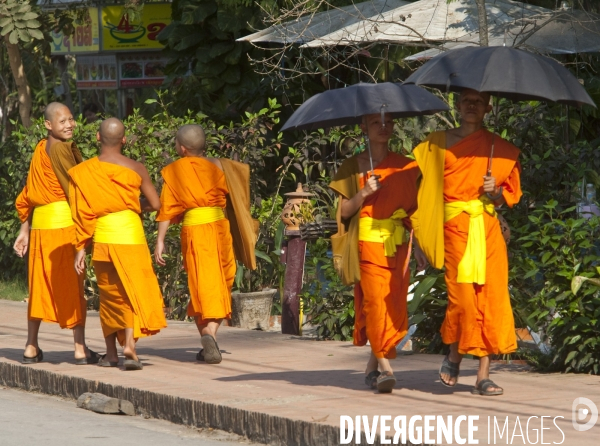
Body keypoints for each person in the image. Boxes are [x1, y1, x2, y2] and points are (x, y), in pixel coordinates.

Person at [411, 89, 522, 396]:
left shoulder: (499, 149)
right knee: (463, 300)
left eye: (479, 101)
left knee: (490, 298)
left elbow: (507, 197)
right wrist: (419, 238)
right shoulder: (436, 145)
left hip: (487, 230)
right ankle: (455, 354)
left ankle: (483, 375)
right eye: (466, 100)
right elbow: (420, 195)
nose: (472, 105)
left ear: (488, 107)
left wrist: (495, 191)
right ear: (457, 104)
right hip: (454, 229)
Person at [329, 113, 426, 393]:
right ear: (363, 127)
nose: (383, 128)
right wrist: (364, 193)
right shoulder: (352, 166)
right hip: (367, 247)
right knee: (374, 306)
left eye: (388, 122)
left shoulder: (406, 167)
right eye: (375, 123)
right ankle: (385, 369)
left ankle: (371, 369)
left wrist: (418, 244)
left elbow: (413, 212)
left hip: (396, 247)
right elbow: (344, 213)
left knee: (391, 307)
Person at [68, 118, 167, 370]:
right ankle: (130, 346)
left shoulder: (84, 171)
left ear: (98, 138)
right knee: (132, 292)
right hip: (131, 238)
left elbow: (82, 214)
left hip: (103, 238)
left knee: (110, 296)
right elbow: (156, 205)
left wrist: (80, 248)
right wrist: (132, 206)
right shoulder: (136, 167)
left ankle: (111, 354)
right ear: (124, 140)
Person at [154, 124, 256, 365]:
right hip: (221, 228)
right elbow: (240, 196)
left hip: (195, 231)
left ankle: (207, 334)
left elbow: (167, 209)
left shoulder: (175, 170)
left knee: (201, 284)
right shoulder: (222, 166)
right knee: (222, 281)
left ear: (181, 148)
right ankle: (210, 334)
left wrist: (159, 241)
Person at [13, 102, 98, 365]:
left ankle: (30, 346)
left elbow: (28, 194)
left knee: (39, 288)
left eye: (71, 119)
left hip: (40, 228)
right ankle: (80, 349)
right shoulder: (62, 149)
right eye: (62, 121)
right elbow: (79, 188)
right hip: (63, 228)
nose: (69, 125)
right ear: (48, 125)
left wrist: (24, 227)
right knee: (74, 285)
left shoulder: (41, 148)